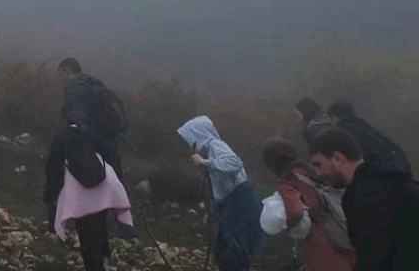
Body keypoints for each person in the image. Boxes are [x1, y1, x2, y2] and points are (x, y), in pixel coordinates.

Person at [310, 127, 419, 271]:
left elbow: (375, 258)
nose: (317, 173)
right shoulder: (391, 178)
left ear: (338, 158)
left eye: (318, 165)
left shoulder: (364, 198)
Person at [179, 115, 265, 271]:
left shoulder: (216, 145)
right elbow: (219, 189)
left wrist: (205, 163)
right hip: (230, 204)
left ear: (199, 135)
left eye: (191, 140)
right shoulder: (209, 150)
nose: (190, 145)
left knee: (235, 250)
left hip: (240, 202)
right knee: (224, 250)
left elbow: (235, 163)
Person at [45, 124, 135, 271]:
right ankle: (104, 261)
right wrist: (121, 184)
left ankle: (95, 266)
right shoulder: (94, 131)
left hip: (80, 196)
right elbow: (111, 155)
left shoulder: (61, 136)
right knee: (99, 227)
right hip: (103, 189)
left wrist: (51, 199)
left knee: (87, 237)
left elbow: (52, 168)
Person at [259, 137, 355, 271]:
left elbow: (294, 213)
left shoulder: (288, 183)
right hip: (348, 236)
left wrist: (292, 227)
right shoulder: (314, 171)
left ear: (271, 165)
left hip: (325, 248)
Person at [59, 58, 127, 180]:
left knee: (94, 174)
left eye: (61, 74)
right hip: (109, 132)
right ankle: (118, 194)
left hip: (92, 134)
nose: (61, 78)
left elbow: (76, 114)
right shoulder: (93, 82)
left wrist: (78, 131)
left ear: (67, 70)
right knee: (113, 170)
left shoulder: (74, 85)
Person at [327, 100, 411, 176]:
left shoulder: (343, 131)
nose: (331, 123)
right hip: (398, 169)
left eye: (331, 119)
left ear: (335, 117)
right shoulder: (365, 127)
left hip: (379, 174)